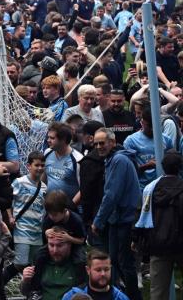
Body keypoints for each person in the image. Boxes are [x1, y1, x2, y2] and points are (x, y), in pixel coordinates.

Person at [90, 128, 142, 300]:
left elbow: (111, 195)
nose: (98, 147)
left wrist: (98, 221)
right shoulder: (113, 159)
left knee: (124, 263)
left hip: (124, 219)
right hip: (117, 219)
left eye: (102, 143)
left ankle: (132, 297)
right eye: (96, 143)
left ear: (112, 142)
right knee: (114, 261)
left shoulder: (118, 160)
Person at [132, 150, 183, 300]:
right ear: (180, 167)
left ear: (162, 166)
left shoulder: (150, 189)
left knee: (158, 291)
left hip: (158, 245)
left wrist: (135, 238)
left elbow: (141, 214)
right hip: (181, 243)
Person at [8, 151, 47, 278]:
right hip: (22, 228)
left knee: (33, 266)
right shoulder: (19, 182)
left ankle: (29, 291)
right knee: (21, 262)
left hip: (36, 231)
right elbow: (8, 200)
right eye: (37, 165)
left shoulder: (44, 187)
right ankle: (1, 280)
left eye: (42, 165)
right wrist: (10, 217)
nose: (40, 168)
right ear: (29, 166)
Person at [20, 227, 87, 300]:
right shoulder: (41, 262)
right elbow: (25, 292)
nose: (55, 250)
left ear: (69, 244)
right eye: (51, 245)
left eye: (59, 246)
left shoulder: (79, 264)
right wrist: (25, 281)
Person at [61, 250, 131, 300]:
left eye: (106, 269)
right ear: (88, 270)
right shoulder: (72, 296)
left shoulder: (121, 298)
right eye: (98, 270)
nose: (103, 274)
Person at [43, 122, 84, 205]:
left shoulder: (78, 159)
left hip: (68, 210)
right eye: (48, 137)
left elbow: (83, 189)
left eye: (52, 138)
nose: (48, 140)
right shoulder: (47, 153)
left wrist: (71, 206)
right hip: (49, 207)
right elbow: (43, 178)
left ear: (63, 140)